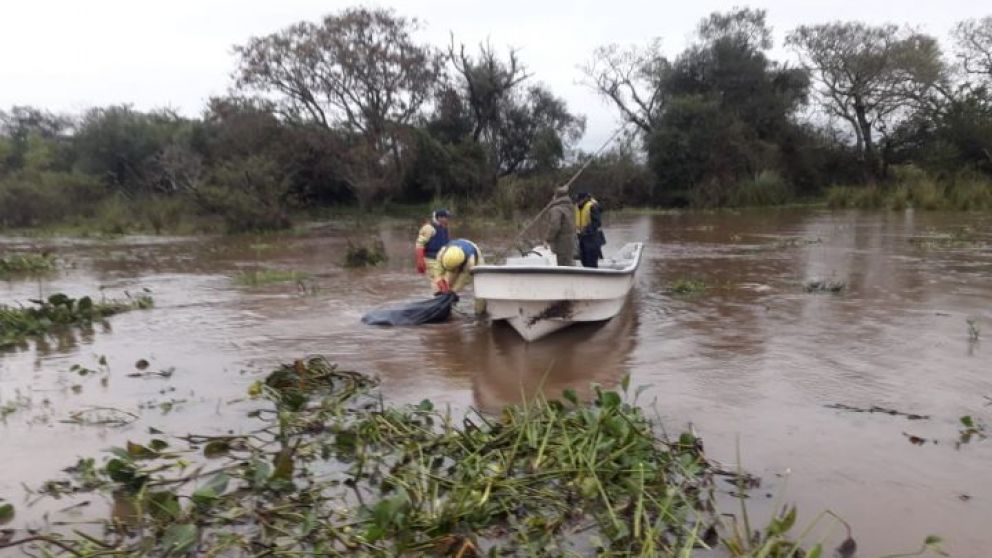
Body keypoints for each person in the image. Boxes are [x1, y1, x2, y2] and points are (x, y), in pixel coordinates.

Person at [436, 239, 486, 314]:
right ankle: (448, 310)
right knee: (448, 285)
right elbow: (438, 270)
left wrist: (453, 292)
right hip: (456, 257)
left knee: (480, 290)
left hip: (475, 256)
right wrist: (440, 280)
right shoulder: (442, 253)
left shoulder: (470, 262)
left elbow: (463, 280)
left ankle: (480, 313)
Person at [414, 209, 450, 290]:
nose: (448, 220)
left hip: (441, 260)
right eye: (446, 218)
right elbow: (419, 244)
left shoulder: (443, 228)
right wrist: (420, 260)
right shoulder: (429, 228)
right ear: (440, 218)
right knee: (437, 281)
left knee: (445, 281)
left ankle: (444, 296)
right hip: (430, 259)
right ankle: (439, 296)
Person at [544, 185, 577, 266]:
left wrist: (548, 239)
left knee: (563, 266)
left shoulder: (556, 209)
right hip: (571, 242)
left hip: (561, 245)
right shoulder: (570, 207)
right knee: (569, 264)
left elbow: (555, 226)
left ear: (556, 196)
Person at [574, 192, 605, 268]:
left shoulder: (592, 207)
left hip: (592, 238)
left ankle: (594, 276)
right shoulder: (578, 207)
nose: (578, 202)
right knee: (583, 260)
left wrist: (587, 230)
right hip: (582, 238)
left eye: (579, 200)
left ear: (585, 199)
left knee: (591, 261)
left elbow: (597, 222)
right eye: (577, 200)